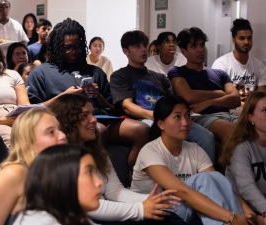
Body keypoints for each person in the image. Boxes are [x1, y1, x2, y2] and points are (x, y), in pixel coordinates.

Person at [26, 18, 150, 178]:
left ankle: (135, 181)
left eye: (77, 46)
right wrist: (64, 97)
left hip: (100, 117)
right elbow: (32, 110)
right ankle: (90, 181)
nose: (74, 51)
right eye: (67, 48)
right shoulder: (41, 72)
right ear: (57, 46)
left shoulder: (95, 71)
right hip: (65, 120)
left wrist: (98, 97)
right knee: (98, 129)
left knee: (142, 129)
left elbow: (113, 109)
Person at [49, 94, 186, 225]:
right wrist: (140, 209)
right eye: (85, 116)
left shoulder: (97, 153)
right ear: (67, 121)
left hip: (107, 214)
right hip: (86, 219)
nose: (94, 119)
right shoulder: (59, 160)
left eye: (92, 114)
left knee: (166, 215)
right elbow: (90, 207)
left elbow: (115, 192)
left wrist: (152, 200)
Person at [131, 95, 258, 225]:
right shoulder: (150, 151)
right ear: (160, 124)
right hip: (154, 215)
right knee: (203, 179)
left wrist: (250, 214)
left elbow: (220, 184)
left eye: (187, 116)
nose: (185, 122)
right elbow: (182, 192)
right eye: (177, 117)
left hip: (184, 211)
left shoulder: (194, 149)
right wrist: (231, 218)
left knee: (215, 177)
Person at [110, 30, 216, 164]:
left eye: (144, 45)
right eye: (137, 46)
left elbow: (173, 103)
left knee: (206, 136)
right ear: (126, 51)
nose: (143, 49)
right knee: (152, 130)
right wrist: (156, 116)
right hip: (144, 120)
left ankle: (206, 177)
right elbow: (127, 106)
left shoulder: (160, 78)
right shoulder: (120, 76)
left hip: (169, 118)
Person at [167, 27, 241, 168]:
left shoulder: (219, 73)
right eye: (194, 46)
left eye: (202, 44)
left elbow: (236, 99)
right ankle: (220, 182)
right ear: (183, 51)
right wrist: (219, 93)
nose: (200, 50)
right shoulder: (177, 71)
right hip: (201, 117)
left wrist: (209, 101)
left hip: (225, 114)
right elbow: (188, 96)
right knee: (230, 130)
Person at [0, 107, 67, 225]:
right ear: (28, 142)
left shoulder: (58, 170)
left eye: (60, 129)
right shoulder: (13, 175)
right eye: (51, 132)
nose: (62, 136)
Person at [13, 145, 102, 225]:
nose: (99, 182)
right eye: (89, 172)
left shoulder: (73, 217)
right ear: (62, 178)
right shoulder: (39, 222)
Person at [220, 91, 266, 224]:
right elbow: (246, 187)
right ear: (251, 117)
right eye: (265, 110)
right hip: (243, 211)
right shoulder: (241, 147)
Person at [212, 18, 266, 115]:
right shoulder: (221, 64)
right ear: (233, 41)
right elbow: (218, 96)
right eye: (242, 38)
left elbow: (261, 96)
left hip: (252, 109)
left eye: (249, 38)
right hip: (228, 109)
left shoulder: (260, 65)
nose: (246, 42)